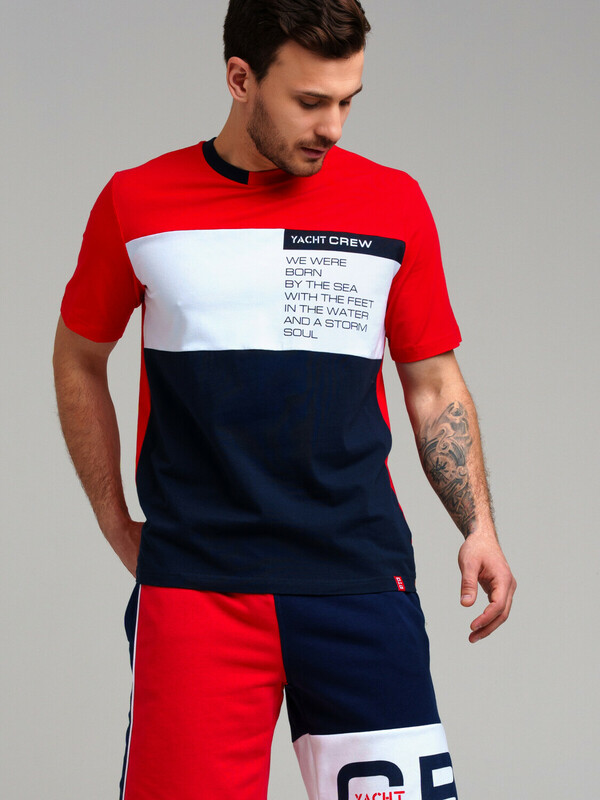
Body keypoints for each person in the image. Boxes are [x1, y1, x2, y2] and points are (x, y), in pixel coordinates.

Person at [53, 1, 516, 798]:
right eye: (309, 102)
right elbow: (78, 358)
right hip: (197, 588)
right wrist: (112, 517)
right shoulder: (137, 202)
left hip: (358, 577)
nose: (332, 126)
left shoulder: (393, 203)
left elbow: (434, 380)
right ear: (241, 79)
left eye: (347, 101)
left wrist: (479, 525)